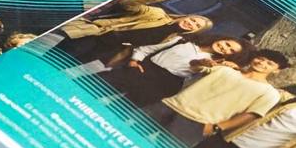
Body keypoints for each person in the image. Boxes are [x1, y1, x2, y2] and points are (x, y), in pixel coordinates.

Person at [146, 50, 290, 147]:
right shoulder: (225, 69)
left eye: (269, 63)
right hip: (167, 106)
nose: (262, 63)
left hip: (197, 123)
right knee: (133, 129)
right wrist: (202, 61)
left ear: (277, 70)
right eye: (260, 59)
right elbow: (195, 67)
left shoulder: (269, 93)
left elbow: (252, 115)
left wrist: (217, 127)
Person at [48, 0, 212, 64]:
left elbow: (141, 47)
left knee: (66, 65)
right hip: (97, 35)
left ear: (195, 30)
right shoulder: (158, 14)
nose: (191, 23)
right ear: (187, 16)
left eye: (196, 25)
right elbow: (126, 5)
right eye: (193, 19)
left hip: (107, 50)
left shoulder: (172, 38)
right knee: (55, 58)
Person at [106, 33, 249, 108]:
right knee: (101, 85)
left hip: (165, 85)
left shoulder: (215, 64)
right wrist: (134, 61)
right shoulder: (183, 40)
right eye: (227, 44)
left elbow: (196, 69)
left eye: (230, 50)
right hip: (143, 69)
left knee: (121, 108)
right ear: (222, 38)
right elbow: (147, 49)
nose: (225, 48)